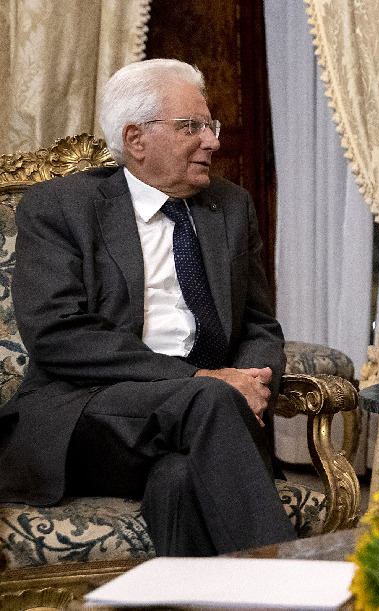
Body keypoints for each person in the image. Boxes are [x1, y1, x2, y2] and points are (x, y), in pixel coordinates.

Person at [0, 59, 298, 555]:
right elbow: (58, 335)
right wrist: (200, 379)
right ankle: (293, 585)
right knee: (209, 400)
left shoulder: (231, 206)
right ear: (136, 139)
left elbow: (258, 325)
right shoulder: (60, 207)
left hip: (201, 420)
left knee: (180, 477)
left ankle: (188, 593)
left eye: (210, 125)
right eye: (191, 126)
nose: (212, 141)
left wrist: (251, 380)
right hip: (91, 413)